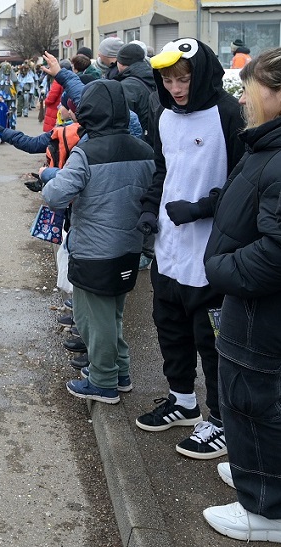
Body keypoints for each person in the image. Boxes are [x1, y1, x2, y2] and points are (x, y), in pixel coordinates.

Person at [135, 38, 246, 459]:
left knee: (211, 339)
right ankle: (182, 401)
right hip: (168, 247)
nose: (176, 87)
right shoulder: (163, 114)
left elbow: (245, 183)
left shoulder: (227, 114)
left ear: (201, 75)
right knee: (169, 326)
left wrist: (202, 207)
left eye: (183, 78)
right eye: (168, 79)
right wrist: (150, 210)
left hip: (211, 252)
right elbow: (162, 169)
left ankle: (219, 420)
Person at [200, 47, 281, 541]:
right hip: (251, 301)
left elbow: (277, 251)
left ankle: (265, 510)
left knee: (252, 400)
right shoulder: (268, 146)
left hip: (259, 307)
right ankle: (257, 473)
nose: (245, 99)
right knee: (250, 400)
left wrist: (221, 269)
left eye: (252, 89)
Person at [39, 79, 155, 404]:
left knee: (93, 318)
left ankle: (103, 381)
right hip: (130, 248)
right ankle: (120, 372)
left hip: (93, 250)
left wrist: (50, 176)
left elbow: (55, 195)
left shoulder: (86, 151)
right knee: (113, 315)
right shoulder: (144, 149)